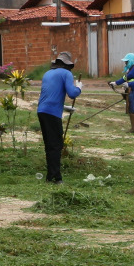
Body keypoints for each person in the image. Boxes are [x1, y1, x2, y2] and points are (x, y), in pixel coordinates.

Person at [37, 50, 82, 183]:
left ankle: (50, 176)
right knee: (56, 145)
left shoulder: (47, 74)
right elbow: (72, 93)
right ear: (67, 64)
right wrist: (79, 87)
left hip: (42, 111)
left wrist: (65, 108)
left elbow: (51, 95)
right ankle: (57, 178)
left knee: (49, 145)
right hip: (52, 113)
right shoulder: (66, 73)